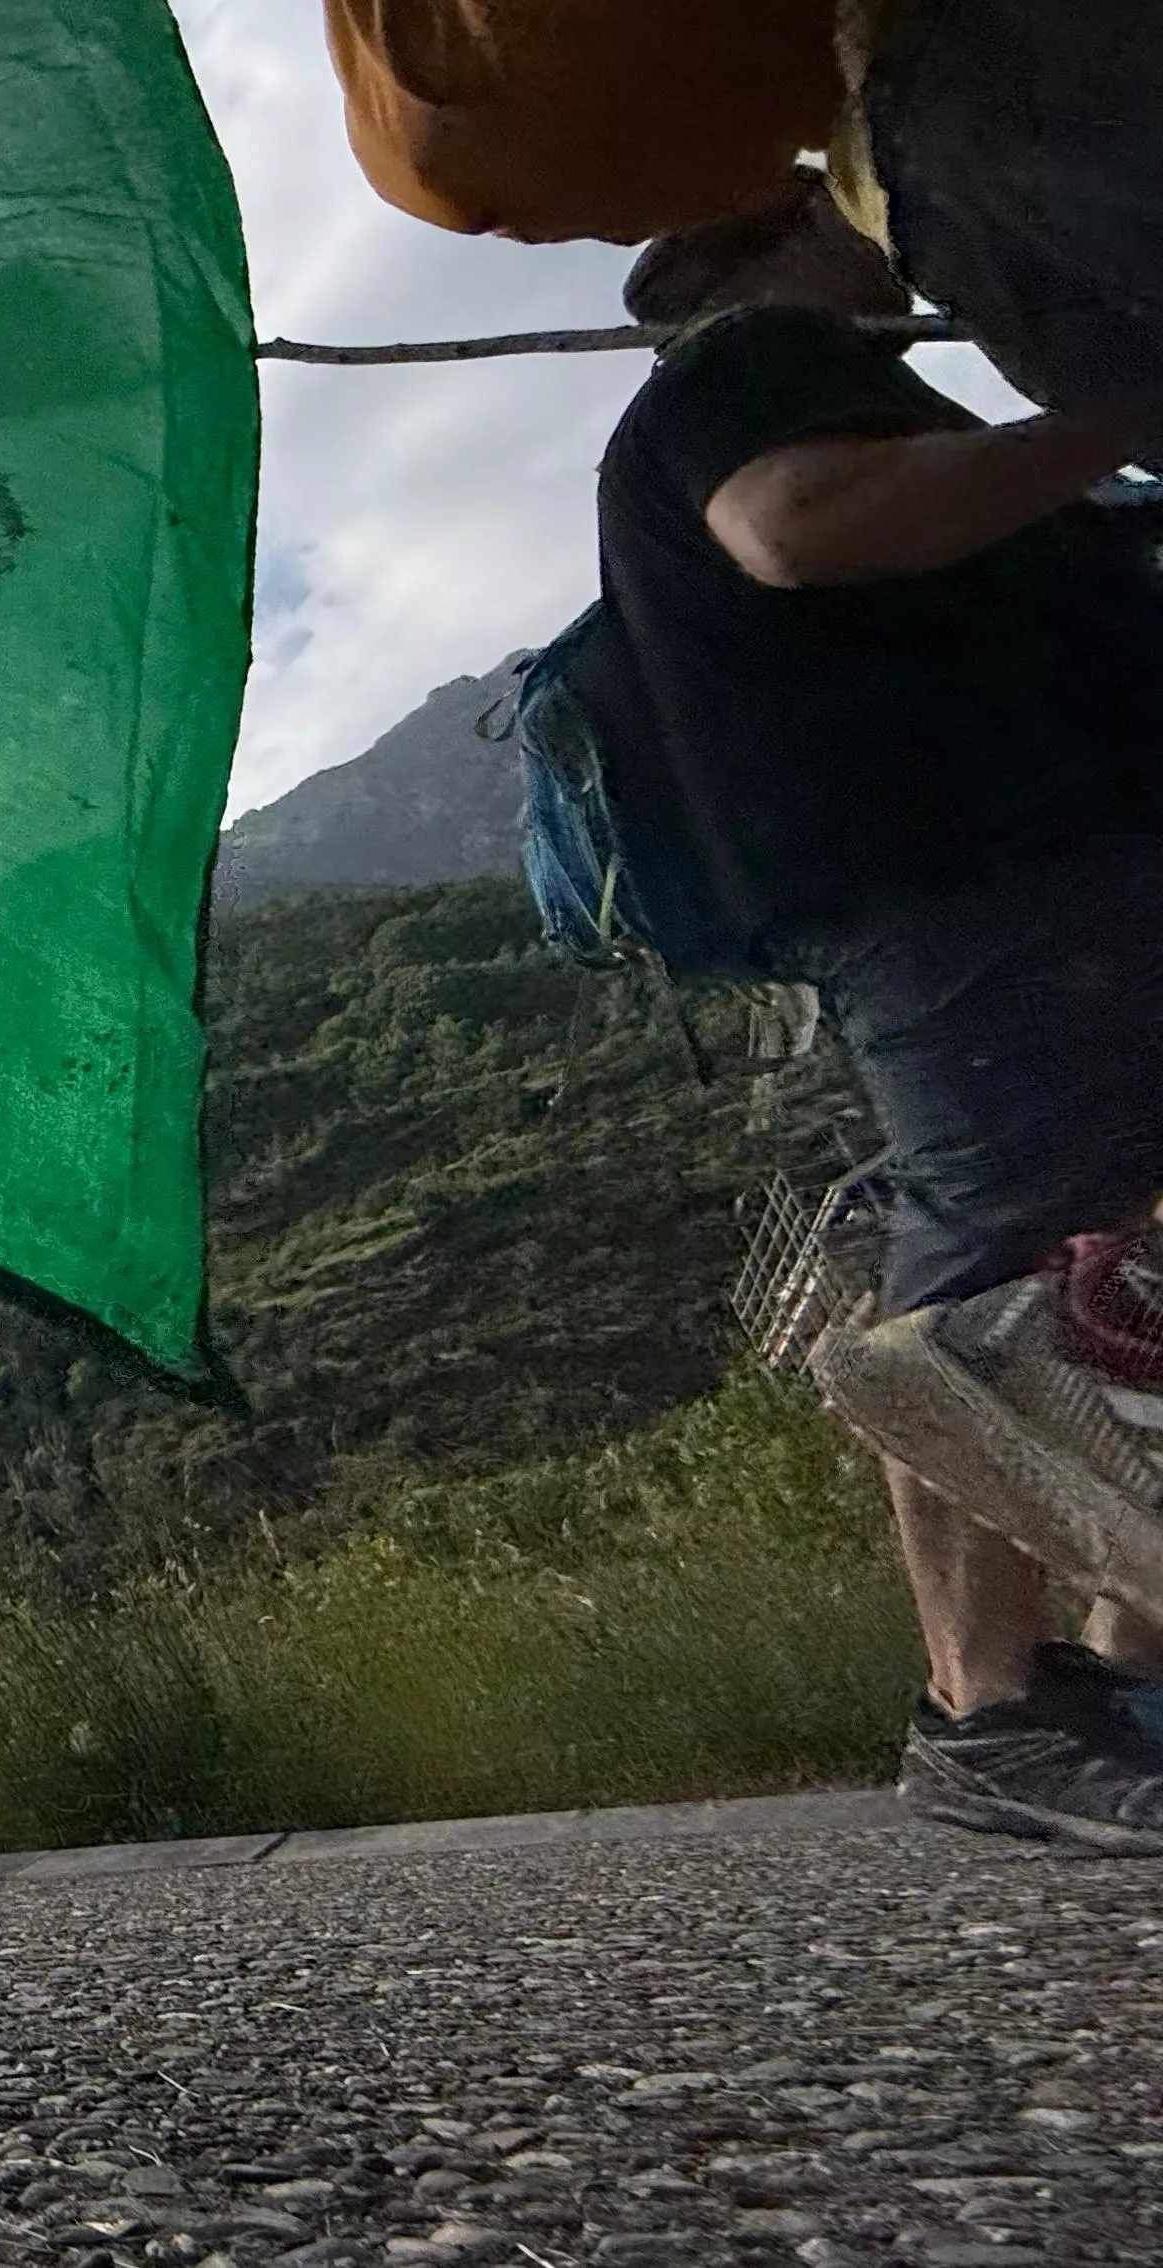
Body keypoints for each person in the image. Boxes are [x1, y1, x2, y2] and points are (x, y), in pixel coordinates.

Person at [577, 186, 1163, 1849]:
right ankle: (989, 1705)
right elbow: (798, 525)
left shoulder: (834, 382)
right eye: (832, 216)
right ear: (738, 254)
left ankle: (1116, 1679)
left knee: (1091, 1264)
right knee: (991, 1260)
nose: (878, 241)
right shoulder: (756, 362)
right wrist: (1121, 412)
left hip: (1035, 869)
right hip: (965, 878)